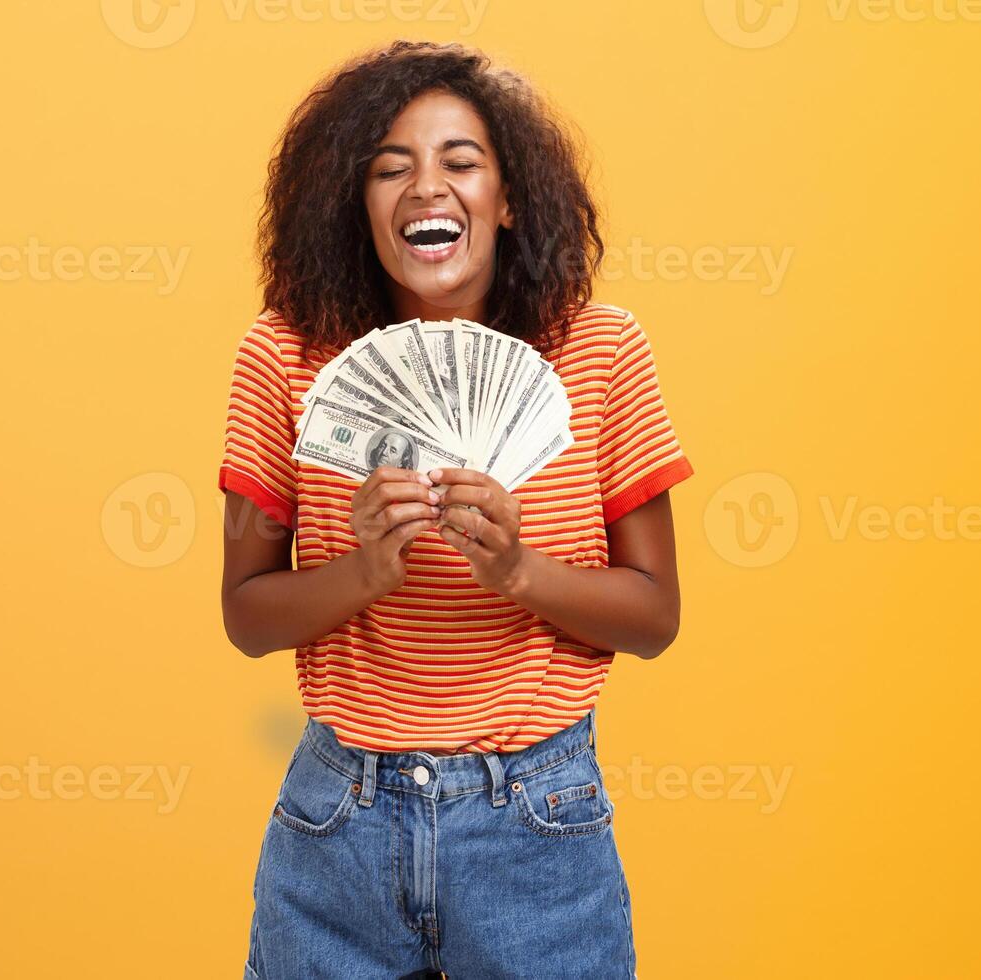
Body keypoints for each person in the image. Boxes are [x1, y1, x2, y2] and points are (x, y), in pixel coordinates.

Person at [218, 41, 693, 977]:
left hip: (538, 824)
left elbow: (656, 616)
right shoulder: (284, 356)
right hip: (336, 827)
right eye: (390, 168)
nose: (425, 188)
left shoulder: (601, 352)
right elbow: (245, 615)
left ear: (508, 201)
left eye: (460, 163)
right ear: (355, 207)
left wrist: (517, 570)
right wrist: (362, 572)